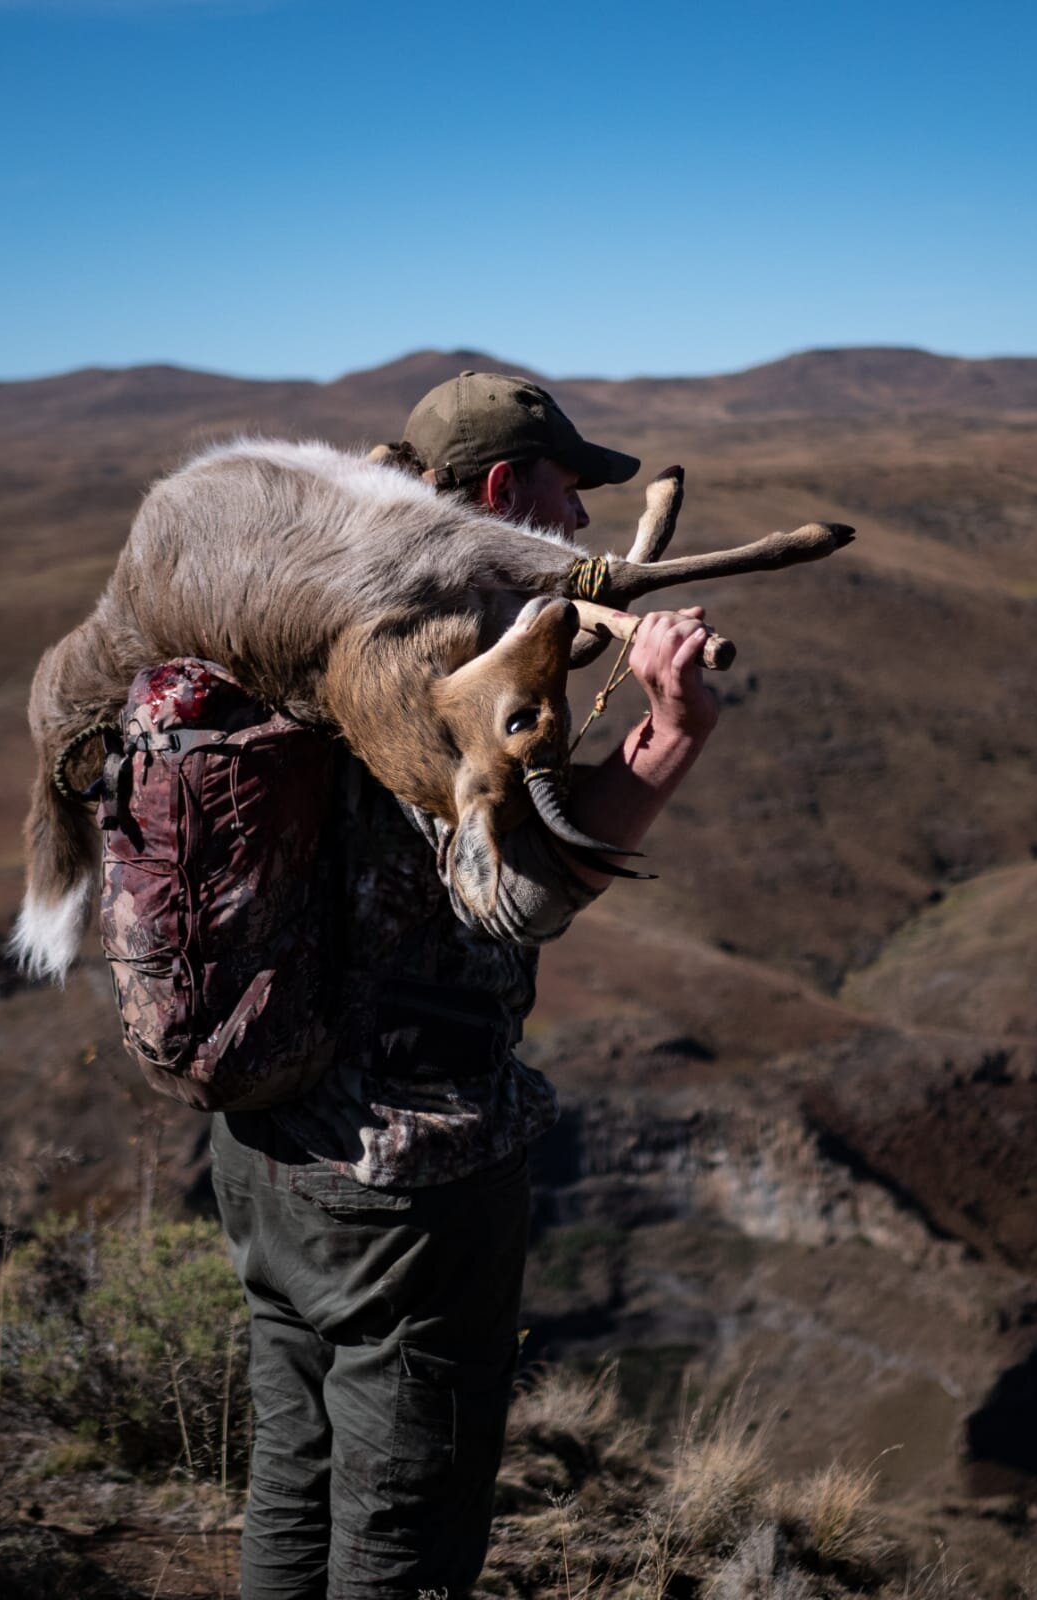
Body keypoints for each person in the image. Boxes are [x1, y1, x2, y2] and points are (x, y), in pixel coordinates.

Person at [208, 373, 719, 1599]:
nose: (584, 523)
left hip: (265, 1136)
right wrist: (670, 731)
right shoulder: (450, 653)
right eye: (563, 492)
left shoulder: (305, 590)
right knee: (405, 1520)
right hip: (405, 1171)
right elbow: (517, 893)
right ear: (499, 490)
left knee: (295, 1476)